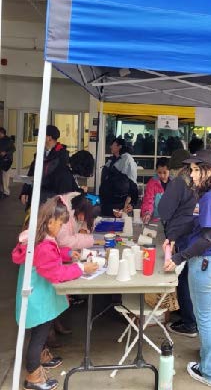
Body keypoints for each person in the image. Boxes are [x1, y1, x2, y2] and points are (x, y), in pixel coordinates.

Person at [164, 150, 211, 388]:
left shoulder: (210, 198)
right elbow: (196, 224)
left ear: (210, 171)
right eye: (191, 170)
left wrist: (178, 257)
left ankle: (210, 372)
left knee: (203, 318)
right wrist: (173, 237)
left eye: (196, 170)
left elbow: (207, 238)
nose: (192, 175)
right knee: (210, 313)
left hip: (206, 263)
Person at [12, 196, 98, 390]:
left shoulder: (40, 237)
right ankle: (33, 376)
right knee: (39, 336)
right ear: (50, 222)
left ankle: (41, 358)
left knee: (39, 332)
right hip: (38, 298)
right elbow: (56, 273)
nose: (60, 228)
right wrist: (82, 269)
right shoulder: (43, 245)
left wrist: (67, 254)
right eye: (60, 224)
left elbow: (53, 256)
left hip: (37, 296)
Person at [158, 149, 198, 337]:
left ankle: (189, 322)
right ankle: (191, 316)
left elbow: (164, 211)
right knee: (192, 279)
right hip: (199, 236)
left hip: (181, 237)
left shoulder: (178, 183)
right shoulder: (198, 182)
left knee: (183, 280)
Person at [20, 125, 78, 208]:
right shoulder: (40, 154)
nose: (38, 139)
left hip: (52, 203)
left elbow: (62, 183)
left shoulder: (62, 157)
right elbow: (32, 174)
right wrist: (25, 191)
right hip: (38, 199)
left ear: (49, 138)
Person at [99, 137, 138, 216]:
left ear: (119, 146)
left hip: (120, 203)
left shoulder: (127, 159)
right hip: (107, 203)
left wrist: (131, 203)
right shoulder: (112, 160)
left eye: (113, 145)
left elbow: (132, 182)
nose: (110, 147)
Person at [141, 157, 171, 223]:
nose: (162, 175)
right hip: (155, 220)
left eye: (165, 172)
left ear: (170, 171)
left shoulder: (174, 183)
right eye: (159, 172)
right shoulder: (152, 183)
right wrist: (147, 212)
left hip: (171, 220)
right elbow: (148, 200)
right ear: (156, 171)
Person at [0, 127, 15, 198]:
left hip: (7, 161)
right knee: (2, 176)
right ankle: (2, 191)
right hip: (1, 160)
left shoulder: (9, 140)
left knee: (5, 176)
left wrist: (5, 152)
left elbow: (13, 149)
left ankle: (6, 192)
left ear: (2, 133)